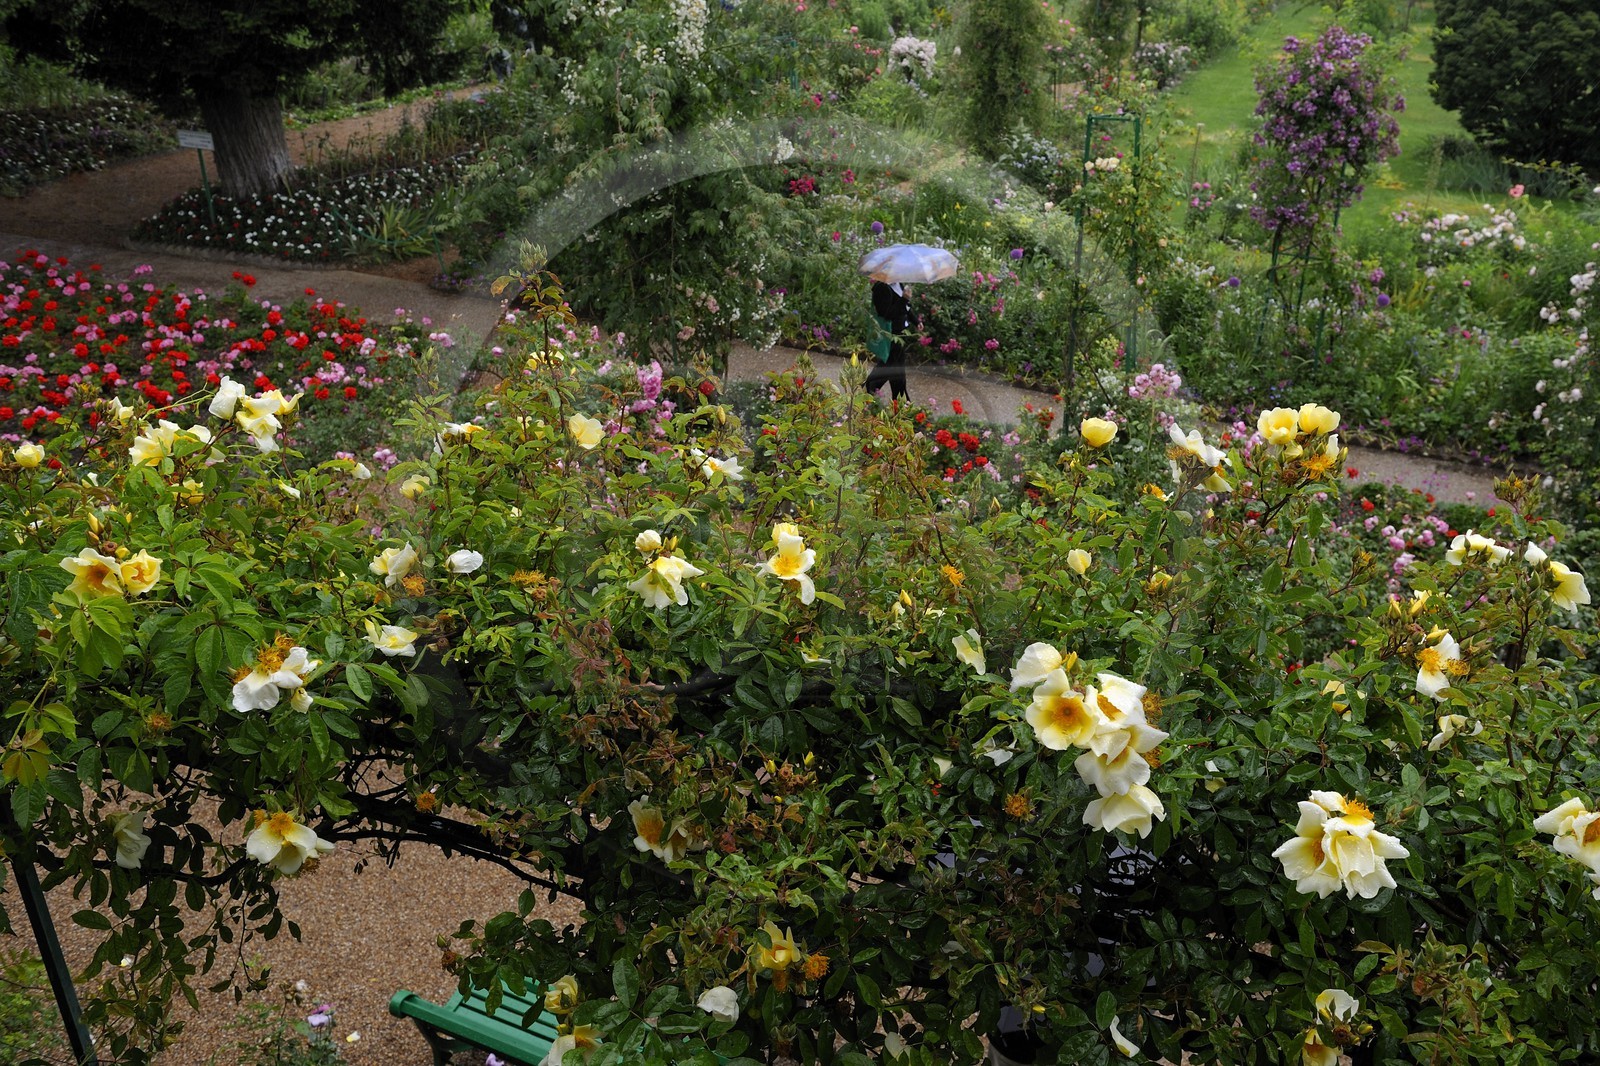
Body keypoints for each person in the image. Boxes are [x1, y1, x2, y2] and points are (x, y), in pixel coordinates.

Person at [865, 275, 912, 403]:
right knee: (891, 369)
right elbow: (885, 314)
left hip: (900, 333)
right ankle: (868, 393)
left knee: (897, 370)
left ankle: (901, 402)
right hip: (890, 334)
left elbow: (905, 307)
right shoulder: (881, 288)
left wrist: (915, 320)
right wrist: (904, 299)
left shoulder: (898, 283)